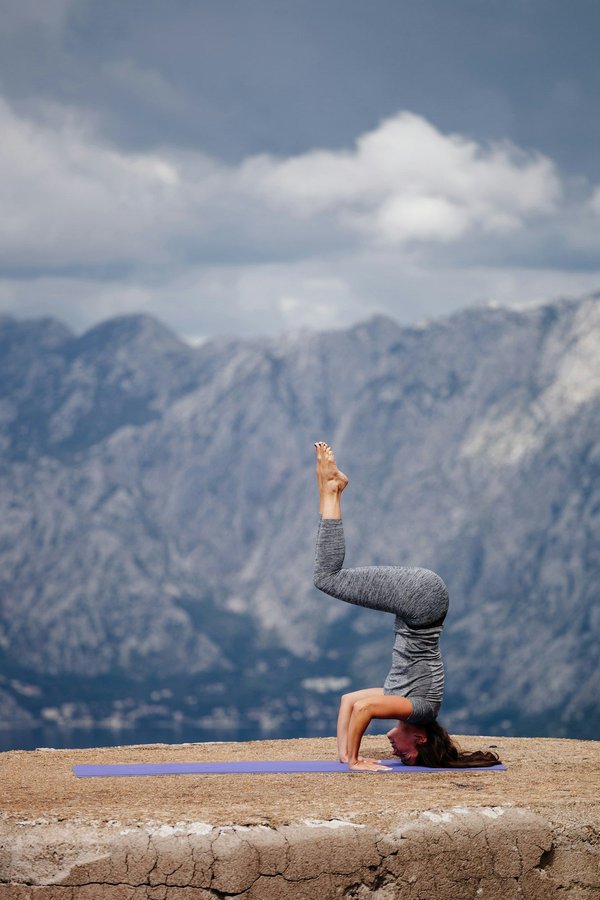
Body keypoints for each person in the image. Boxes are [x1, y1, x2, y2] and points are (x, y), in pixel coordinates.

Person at [313, 441, 500, 773]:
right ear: (421, 740)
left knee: (328, 577)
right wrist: (357, 762)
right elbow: (366, 710)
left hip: (422, 602)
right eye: (406, 756)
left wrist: (345, 755)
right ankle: (331, 490)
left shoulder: (402, 701)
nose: (396, 752)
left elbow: (350, 703)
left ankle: (333, 490)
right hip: (421, 603)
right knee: (328, 577)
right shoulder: (420, 711)